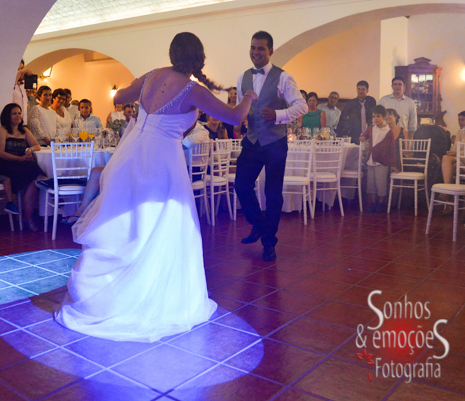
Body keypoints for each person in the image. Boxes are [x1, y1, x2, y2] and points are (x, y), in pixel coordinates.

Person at [54, 32, 257, 342]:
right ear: (199, 58)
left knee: (128, 224)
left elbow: (119, 97)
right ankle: (154, 302)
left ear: (172, 53)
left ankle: (108, 297)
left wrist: (139, 92)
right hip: (163, 164)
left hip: (131, 157)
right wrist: (249, 97)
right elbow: (234, 116)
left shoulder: (152, 76)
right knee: (164, 227)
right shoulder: (193, 90)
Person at [234, 30, 307, 262]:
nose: (256, 52)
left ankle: (268, 243)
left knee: (273, 195)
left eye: (261, 48)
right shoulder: (242, 77)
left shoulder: (283, 77)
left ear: (271, 51)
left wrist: (278, 115)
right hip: (251, 142)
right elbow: (242, 106)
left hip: (275, 143)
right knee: (241, 185)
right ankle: (258, 224)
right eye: (253, 47)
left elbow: (302, 106)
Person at [0, 104, 44, 232]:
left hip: (22, 165)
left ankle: (28, 218)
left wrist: (29, 149)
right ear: (7, 116)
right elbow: (0, 153)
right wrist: (19, 159)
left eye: (19, 113)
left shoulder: (24, 130)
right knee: (35, 174)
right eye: (14, 113)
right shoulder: (2, 130)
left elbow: (37, 145)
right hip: (6, 164)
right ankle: (28, 218)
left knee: (33, 179)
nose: (18, 116)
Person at [360, 105, 397, 213]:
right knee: (371, 183)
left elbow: (392, 149)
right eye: (373, 116)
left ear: (384, 117)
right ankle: (373, 202)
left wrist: (393, 164)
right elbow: (365, 135)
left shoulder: (389, 132)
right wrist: (363, 137)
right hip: (371, 159)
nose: (375, 119)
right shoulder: (371, 128)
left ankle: (380, 203)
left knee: (381, 183)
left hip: (382, 161)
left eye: (378, 116)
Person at [439, 110, 465, 214]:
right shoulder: (460, 132)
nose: (460, 122)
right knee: (446, 158)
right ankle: (448, 191)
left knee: (449, 168)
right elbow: (455, 149)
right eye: (459, 120)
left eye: (463, 119)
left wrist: (456, 153)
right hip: (461, 161)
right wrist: (452, 153)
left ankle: (449, 198)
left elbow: (459, 152)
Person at [384, 108, 408, 172]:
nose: (387, 117)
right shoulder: (383, 131)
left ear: (396, 117)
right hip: (386, 158)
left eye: (389, 114)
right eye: (385, 115)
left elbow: (407, 150)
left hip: (399, 158)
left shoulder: (403, 131)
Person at [13, 59, 32, 126]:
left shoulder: (22, 86)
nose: (21, 72)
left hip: (23, 122)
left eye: (22, 68)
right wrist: (20, 72)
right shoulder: (10, 85)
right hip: (12, 123)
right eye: (18, 69)